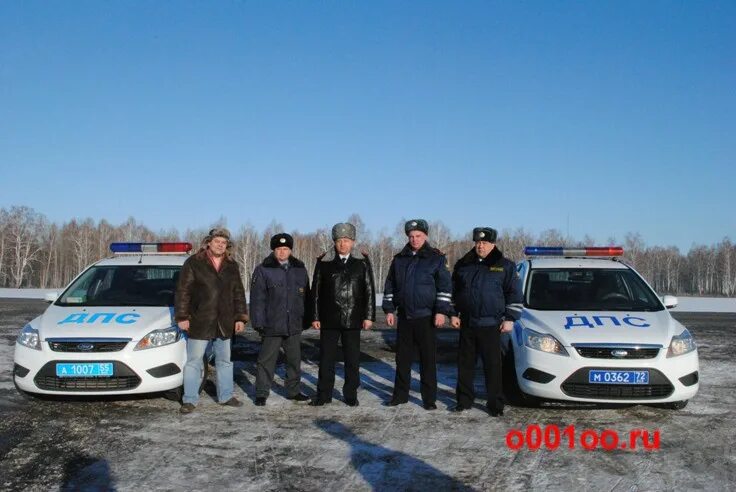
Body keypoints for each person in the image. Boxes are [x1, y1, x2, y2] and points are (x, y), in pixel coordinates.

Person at [450, 227, 523, 416]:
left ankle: (495, 404)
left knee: (493, 367)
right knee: (465, 365)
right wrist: (453, 313)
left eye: (484, 243)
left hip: (491, 324)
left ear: (493, 244)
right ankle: (464, 400)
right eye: (477, 242)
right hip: (467, 323)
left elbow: (514, 294)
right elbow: (454, 292)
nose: (480, 246)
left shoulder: (505, 265)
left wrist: (510, 319)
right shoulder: (463, 264)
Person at [175, 228, 248, 414]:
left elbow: (238, 293)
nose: (220, 245)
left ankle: (225, 396)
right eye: (217, 241)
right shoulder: (194, 263)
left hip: (224, 321)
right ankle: (189, 399)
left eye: (224, 243)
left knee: (224, 361)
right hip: (200, 319)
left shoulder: (232, 265)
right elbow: (183, 291)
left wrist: (240, 317)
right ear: (209, 242)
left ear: (227, 245)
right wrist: (182, 316)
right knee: (194, 361)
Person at [382, 219, 453, 410]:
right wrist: (389, 309)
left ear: (425, 236)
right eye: (411, 236)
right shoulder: (399, 259)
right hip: (405, 317)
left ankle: (429, 399)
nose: (414, 239)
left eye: (418, 236)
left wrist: (441, 311)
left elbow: (445, 288)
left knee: (427, 360)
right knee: (402, 359)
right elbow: (390, 286)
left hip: (426, 317)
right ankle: (400, 396)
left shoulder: (436, 258)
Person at [310, 223, 376, 407]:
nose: (343, 244)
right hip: (329, 319)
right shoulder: (324, 262)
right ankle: (323, 395)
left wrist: (369, 316)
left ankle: (350, 395)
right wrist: (315, 316)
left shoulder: (361, 262)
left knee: (352, 360)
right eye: (339, 240)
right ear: (334, 242)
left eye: (346, 240)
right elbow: (315, 291)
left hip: (353, 318)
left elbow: (369, 290)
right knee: (326, 360)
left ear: (353, 242)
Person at [250, 233, 311, 406]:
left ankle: (293, 391)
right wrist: (258, 322)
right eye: (279, 249)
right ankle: (262, 392)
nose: (282, 252)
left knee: (294, 360)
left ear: (290, 250)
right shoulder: (263, 269)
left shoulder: (300, 269)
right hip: (272, 323)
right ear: (273, 250)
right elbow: (257, 299)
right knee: (266, 360)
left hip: (293, 324)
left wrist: (306, 318)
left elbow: (307, 295)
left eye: (285, 249)